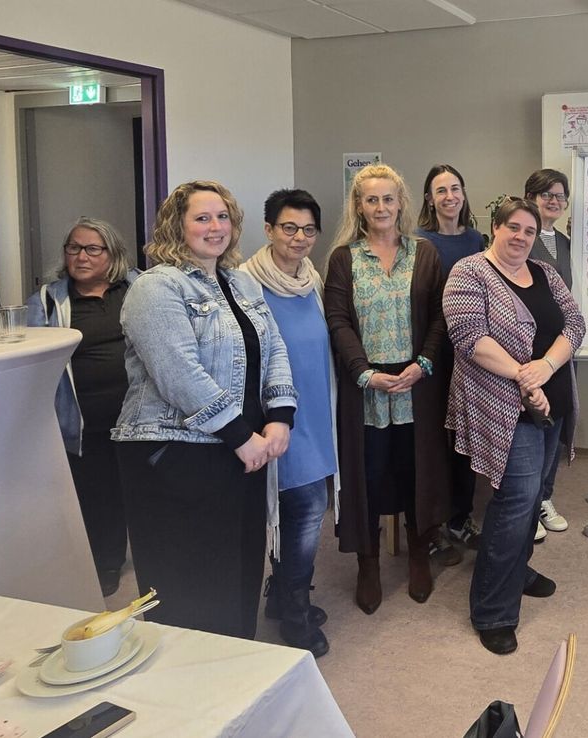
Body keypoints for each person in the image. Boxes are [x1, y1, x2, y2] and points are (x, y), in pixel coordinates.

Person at [113, 181, 296, 638]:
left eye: (223, 217)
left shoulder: (240, 282)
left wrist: (279, 417)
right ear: (178, 225)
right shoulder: (155, 287)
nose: (215, 227)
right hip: (177, 451)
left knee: (237, 569)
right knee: (189, 585)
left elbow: (274, 349)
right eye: (201, 218)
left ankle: (235, 668)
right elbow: (178, 372)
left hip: (243, 447)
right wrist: (240, 435)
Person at [443, 198, 585, 655]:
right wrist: (526, 377)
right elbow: (471, 339)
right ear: (495, 228)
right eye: (514, 227)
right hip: (506, 406)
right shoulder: (469, 272)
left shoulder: (545, 273)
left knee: (535, 496)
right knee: (515, 500)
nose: (522, 236)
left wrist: (544, 367)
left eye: (530, 229)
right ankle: (492, 610)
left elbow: (576, 324)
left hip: (552, 398)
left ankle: (516, 570)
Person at [325, 163, 452, 614]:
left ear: (401, 203)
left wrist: (423, 364)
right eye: (371, 199)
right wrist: (363, 372)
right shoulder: (344, 258)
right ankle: (369, 562)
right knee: (369, 476)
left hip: (417, 384)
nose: (380, 207)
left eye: (388, 198)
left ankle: (420, 554)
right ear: (359, 206)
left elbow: (440, 317)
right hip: (366, 387)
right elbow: (337, 319)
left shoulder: (426, 253)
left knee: (415, 471)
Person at [241, 188, 337, 657]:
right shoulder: (244, 284)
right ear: (268, 229)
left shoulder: (311, 280)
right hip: (277, 418)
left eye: (308, 229)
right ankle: (294, 608)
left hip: (316, 412)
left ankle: (281, 595)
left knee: (303, 509)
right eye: (288, 228)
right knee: (304, 510)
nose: (299, 238)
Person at [27, 217, 139, 597]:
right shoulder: (47, 301)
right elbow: (32, 360)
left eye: (93, 248)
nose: (81, 256)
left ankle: (153, 555)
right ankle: (105, 562)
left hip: (139, 414)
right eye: (74, 248)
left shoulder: (138, 288)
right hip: (83, 417)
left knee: (142, 488)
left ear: (113, 255)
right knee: (97, 494)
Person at [416, 164, 484, 560]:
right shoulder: (420, 243)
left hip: (469, 352)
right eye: (440, 190)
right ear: (429, 198)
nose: (449, 196)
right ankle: (433, 523)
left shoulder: (477, 239)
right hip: (432, 352)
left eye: (454, 188)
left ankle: (460, 516)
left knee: (463, 437)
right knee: (433, 438)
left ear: (463, 193)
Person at [523, 169, 573, 542]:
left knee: (557, 423)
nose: (553, 201)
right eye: (546, 194)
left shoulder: (567, 242)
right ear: (530, 196)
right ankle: (528, 502)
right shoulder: (521, 238)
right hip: (529, 349)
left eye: (559, 196)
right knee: (533, 424)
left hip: (562, 347)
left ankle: (544, 497)